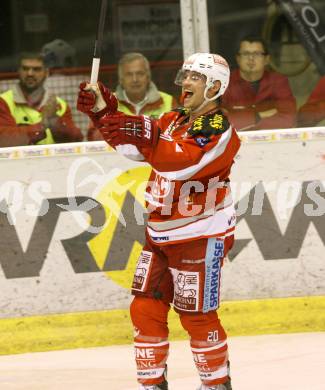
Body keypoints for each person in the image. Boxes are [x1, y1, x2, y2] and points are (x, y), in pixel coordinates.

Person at [77, 52, 240, 390]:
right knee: (145, 305)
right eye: (187, 75)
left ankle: (216, 384)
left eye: (196, 77)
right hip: (160, 233)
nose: (187, 83)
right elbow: (133, 148)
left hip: (201, 235)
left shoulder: (218, 128)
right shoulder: (174, 119)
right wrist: (103, 113)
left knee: (195, 314)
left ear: (215, 86)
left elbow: (176, 163)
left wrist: (143, 130)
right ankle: (152, 384)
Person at [87, 52, 178, 141]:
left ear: (148, 77)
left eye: (140, 73)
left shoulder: (169, 102)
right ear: (121, 79)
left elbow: (178, 136)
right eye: (129, 75)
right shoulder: (105, 103)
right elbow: (94, 139)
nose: (135, 79)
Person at [0, 52, 83, 147]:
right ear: (18, 71)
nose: (30, 73)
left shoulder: (60, 104)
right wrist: (41, 126)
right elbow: (3, 139)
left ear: (46, 73)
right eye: (25, 69)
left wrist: (55, 121)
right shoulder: (3, 102)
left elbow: (76, 139)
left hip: (53, 161)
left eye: (37, 69)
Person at [222, 36, 296, 130]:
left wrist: (243, 120)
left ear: (266, 59)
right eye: (245, 53)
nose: (251, 58)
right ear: (238, 59)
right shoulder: (225, 83)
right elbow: (218, 121)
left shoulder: (278, 81)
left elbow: (289, 118)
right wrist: (257, 116)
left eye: (257, 54)